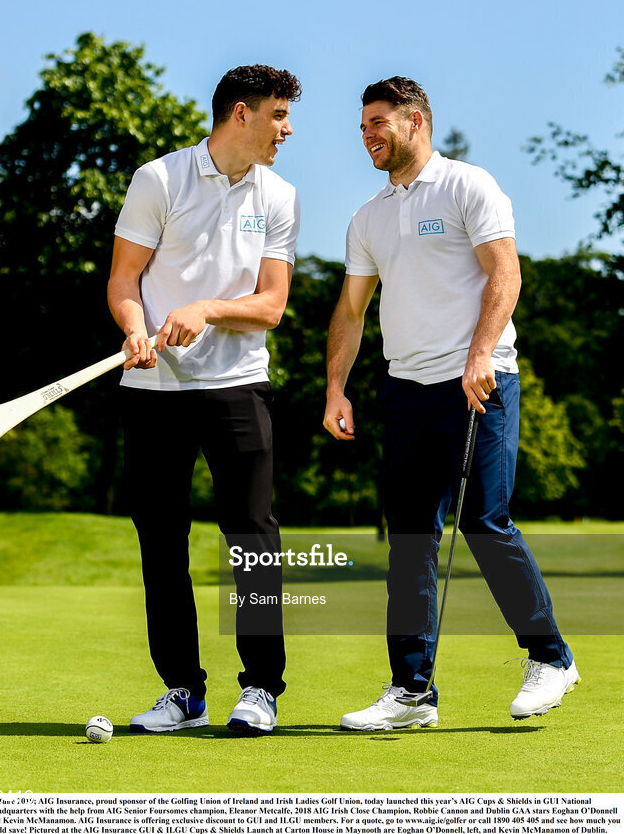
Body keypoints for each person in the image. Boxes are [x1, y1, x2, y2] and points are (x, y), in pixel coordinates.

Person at [323, 76, 579, 729]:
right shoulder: (369, 217)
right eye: (361, 127)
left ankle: (551, 658)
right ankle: (411, 692)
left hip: (479, 381)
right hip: (406, 391)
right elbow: (350, 312)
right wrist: (335, 388)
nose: (367, 136)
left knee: (484, 523)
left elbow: (506, 272)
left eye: (377, 122)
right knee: (410, 541)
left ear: (414, 120)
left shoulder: (469, 186)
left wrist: (477, 354)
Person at [108, 64, 301, 736]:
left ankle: (261, 690)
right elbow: (124, 280)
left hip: (236, 385)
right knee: (161, 542)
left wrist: (208, 309)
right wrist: (136, 330)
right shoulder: (158, 180)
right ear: (240, 115)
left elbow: (272, 305)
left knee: (252, 536)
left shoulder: (279, 195)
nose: (287, 129)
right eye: (278, 115)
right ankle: (184, 691)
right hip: (154, 388)